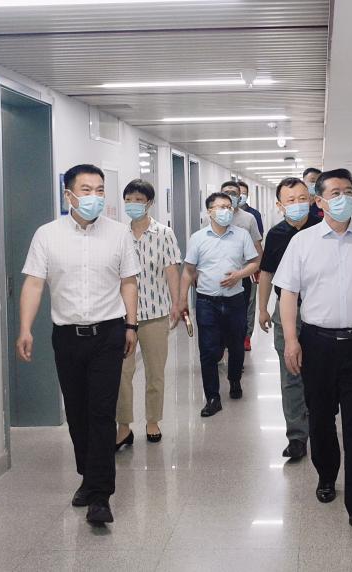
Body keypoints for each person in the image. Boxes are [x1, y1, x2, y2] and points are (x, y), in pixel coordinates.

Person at [273, 168, 352, 542]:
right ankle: (327, 474)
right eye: (335, 192)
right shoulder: (303, 243)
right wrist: (292, 340)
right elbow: (288, 294)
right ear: (320, 201)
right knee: (320, 418)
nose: (343, 197)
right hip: (318, 343)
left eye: (348, 191)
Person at [17, 164, 140, 525]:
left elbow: (129, 281)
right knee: (77, 412)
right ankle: (88, 476)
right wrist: (25, 329)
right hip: (67, 336)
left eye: (100, 190)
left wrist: (131, 324)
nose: (94, 197)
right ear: (68, 194)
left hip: (108, 333)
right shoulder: (47, 235)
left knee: (101, 412)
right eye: (86, 190)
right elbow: (34, 283)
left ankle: (100, 496)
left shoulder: (118, 234)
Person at [176, 192, 260, 417]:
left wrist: (239, 275)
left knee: (236, 346)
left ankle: (234, 379)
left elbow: (254, 263)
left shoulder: (242, 235)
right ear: (209, 211)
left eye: (228, 207)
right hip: (207, 302)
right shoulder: (198, 238)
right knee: (207, 350)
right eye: (220, 207)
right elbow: (188, 271)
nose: (226, 211)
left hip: (235, 300)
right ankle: (212, 397)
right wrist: (182, 300)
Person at [257, 177, 320, 461]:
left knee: (318, 375)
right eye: (291, 200)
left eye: (302, 198)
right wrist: (262, 308)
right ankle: (296, 436)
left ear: (312, 199)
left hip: (320, 314)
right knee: (291, 374)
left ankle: (319, 426)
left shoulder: (322, 228)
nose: (297, 204)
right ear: (280, 205)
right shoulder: (276, 235)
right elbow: (266, 273)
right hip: (286, 314)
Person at [116, 179, 182, 448]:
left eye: (139, 200)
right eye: (129, 200)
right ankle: (123, 426)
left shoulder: (164, 233)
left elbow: (171, 270)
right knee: (122, 373)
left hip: (155, 313)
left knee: (155, 372)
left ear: (150, 203)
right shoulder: (118, 235)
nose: (133, 204)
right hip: (123, 316)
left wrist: (177, 303)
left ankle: (153, 420)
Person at [220, 181, 264, 353]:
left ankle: (242, 339)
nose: (230, 196)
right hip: (220, 273)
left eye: (234, 193)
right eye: (226, 192)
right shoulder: (213, 217)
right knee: (222, 310)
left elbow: (257, 246)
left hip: (245, 273)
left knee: (244, 309)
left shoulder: (249, 218)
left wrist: (258, 268)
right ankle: (223, 341)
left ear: (239, 197)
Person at [237, 180, 264, 350]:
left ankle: (247, 336)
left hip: (249, 266)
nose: (239, 196)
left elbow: (258, 240)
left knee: (249, 302)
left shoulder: (253, 215)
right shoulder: (221, 214)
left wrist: (258, 266)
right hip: (230, 268)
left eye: (242, 193)